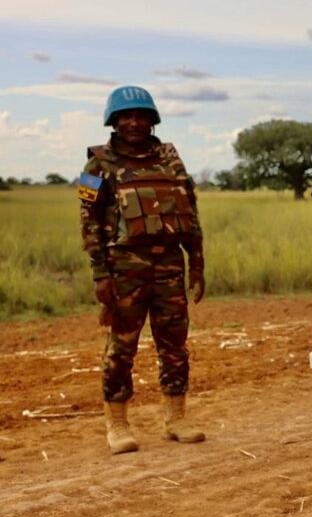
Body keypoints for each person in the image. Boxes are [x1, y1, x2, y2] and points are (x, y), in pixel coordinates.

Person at [79, 85, 205, 455]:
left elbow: (190, 212)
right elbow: (87, 222)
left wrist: (196, 263)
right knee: (121, 348)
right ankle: (117, 424)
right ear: (113, 122)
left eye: (141, 116)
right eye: (126, 116)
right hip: (123, 270)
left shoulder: (170, 159)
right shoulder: (96, 164)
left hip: (169, 267)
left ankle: (176, 419)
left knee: (175, 348)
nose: (134, 122)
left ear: (152, 120)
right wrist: (100, 275)